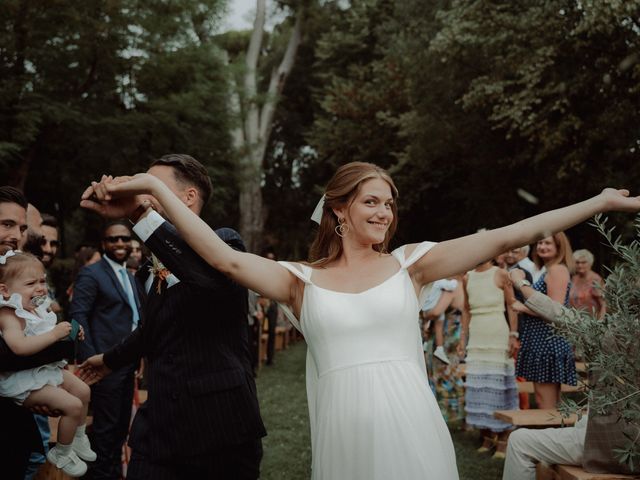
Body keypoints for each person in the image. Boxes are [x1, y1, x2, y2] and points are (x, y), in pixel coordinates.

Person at [81, 162, 640, 479]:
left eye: (390, 204)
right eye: (372, 201)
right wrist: (150, 195)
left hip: (412, 432)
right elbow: (222, 258)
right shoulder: (300, 280)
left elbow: (510, 233)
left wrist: (597, 201)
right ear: (340, 209)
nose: (383, 213)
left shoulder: (412, 265)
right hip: (342, 438)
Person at [78, 154, 266, 479]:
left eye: (151, 186)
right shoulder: (152, 264)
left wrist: (139, 212)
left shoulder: (226, 242)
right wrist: (109, 360)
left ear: (188, 197)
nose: (140, 193)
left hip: (219, 429)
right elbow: (153, 330)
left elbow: (205, 275)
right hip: (159, 432)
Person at [503, 268, 639, 479]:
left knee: (519, 441)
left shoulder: (604, 334)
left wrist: (520, 282)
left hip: (611, 447)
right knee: (581, 421)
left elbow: (554, 311)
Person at [0, 250, 95, 477]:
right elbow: (18, 347)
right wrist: (54, 335)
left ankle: (79, 438)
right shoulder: (9, 313)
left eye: (42, 281)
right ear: (5, 290)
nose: (40, 288)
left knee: (83, 390)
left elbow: (47, 334)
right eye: (31, 283)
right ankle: (61, 453)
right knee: (72, 406)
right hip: (22, 380)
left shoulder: (36, 308)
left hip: (42, 370)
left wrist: (70, 332)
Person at [69, 221, 142, 479]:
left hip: (128, 364)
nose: (120, 243)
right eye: (113, 239)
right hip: (105, 365)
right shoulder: (92, 274)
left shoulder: (130, 275)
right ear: (104, 244)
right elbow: (78, 316)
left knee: (121, 430)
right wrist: (91, 360)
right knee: (105, 432)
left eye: (124, 238)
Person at [458, 260, 518, 458]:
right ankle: (487, 435)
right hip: (477, 334)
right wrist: (462, 338)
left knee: (498, 387)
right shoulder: (467, 277)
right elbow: (466, 309)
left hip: (497, 332)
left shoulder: (501, 274)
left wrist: (513, 334)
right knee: (479, 387)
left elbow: (512, 305)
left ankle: (504, 438)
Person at [514, 232, 576, 409]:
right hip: (541, 341)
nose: (542, 247)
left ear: (559, 247)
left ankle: (553, 435)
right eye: (540, 243)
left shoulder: (557, 270)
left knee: (545, 403)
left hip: (548, 341)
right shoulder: (550, 269)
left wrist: (522, 306)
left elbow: (553, 310)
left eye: (548, 243)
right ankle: (556, 433)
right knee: (549, 402)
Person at [421, 278, 458, 365]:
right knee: (439, 326)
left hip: (425, 308)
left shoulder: (426, 283)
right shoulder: (439, 281)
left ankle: (425, 344)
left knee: (427, 325)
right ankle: (439, 348)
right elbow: (451, 286)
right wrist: (455, 281)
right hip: (433, 307)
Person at [569, 249, 606, 319]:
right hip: (575, 321)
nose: (580, 265)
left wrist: (600, 323)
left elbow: (603, 304)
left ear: (590, 263)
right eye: (577, 262)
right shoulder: (573, 278)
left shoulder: (595, 279)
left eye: (583, 262)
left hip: (591, 323)